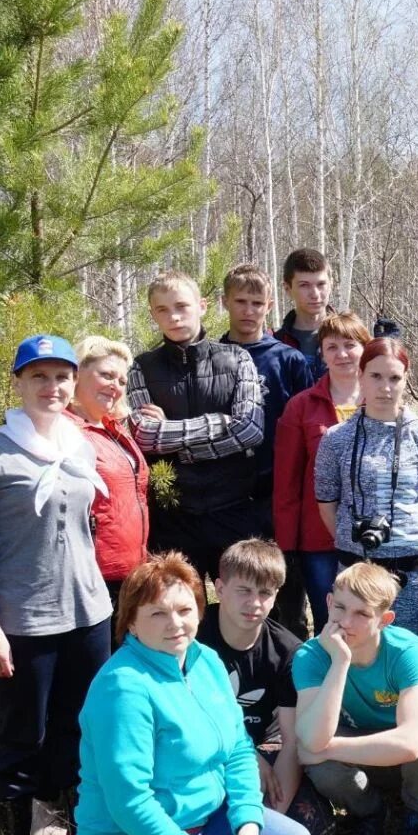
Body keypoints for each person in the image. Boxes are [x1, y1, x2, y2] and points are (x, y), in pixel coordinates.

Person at [75, 553, 313, 835]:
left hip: (204, 820)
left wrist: (247, 824)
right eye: (158, 614)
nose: (176, 624)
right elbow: (130, 803)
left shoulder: (204, 661)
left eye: (185, 610)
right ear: (130, 622)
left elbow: (238, 748)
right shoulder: (122, 688)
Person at [0, 335, 114, 835]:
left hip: (88, 614)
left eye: (61, 377)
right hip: (23, 621)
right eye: (38, 376)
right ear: (19, 384)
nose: (52, 387)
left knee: (80, 730)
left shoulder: (79, 446)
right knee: (24, 736)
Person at [293, 563, 418, 835]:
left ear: (384, 620)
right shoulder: (311, 656)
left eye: (362, 614)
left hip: (408, 759)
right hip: (364, 757)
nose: (345, 622)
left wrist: (325, 747)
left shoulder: (407, 651)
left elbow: (411, 743)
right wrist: (340, 662)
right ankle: (369, 813)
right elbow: (311, 734)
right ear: (328, 603)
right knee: (322, 764)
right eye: (340, 607)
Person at [314, 338, 418, 645]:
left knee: (414, 662)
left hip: (415, 576)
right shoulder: (335, 441)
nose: (385, 387)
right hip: (354, 574)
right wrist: (352, 542)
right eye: (376, 376)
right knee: (353, 657)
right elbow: (327, 505)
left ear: (406, 380)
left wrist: (411, 541)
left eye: (394, 378)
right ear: (361, 375)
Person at [127, 271, 266, 582]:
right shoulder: (142, 366)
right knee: (176, 610)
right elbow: (145, 436)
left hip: (232, 508)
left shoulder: (236, 359)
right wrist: (218, 422)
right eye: (162, 310)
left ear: (202, 305)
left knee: (242, 604)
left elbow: (250, 430)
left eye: (182, 306)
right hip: (173, 515)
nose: (174, 317)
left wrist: (175, 438)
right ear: (152, 314)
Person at [197, 539, 332, 835]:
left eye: (265, 593)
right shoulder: (192, 638)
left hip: (266, 745)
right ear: (219, 589)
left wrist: (267, 823)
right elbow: (187, 718)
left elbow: (292, 741)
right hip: (205, 745)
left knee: (310, 822)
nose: (254, 603)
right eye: (243, 590)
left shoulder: (288, 652)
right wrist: (244, 757)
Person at [219, 264, 315, 634]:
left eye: (257, 302)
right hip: (227, 494)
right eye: (240, 301)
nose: (248, 310)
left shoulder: (287, 360)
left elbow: (305, 427)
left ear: (270, 304)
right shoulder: (212, 355)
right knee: (235, 588)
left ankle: (289, 671)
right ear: (225, 302)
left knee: (285, 590)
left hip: (278, 491)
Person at [275, 311, 370, 634]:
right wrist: (287, 545)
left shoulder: (384, 400)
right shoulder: (302, 406)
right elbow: (287, 482)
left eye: (350, 345)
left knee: (373, 624)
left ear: (365, 348)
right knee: (330, 624)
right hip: (319, 542)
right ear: (322, 353)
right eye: (332, 347)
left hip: (376, 538)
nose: (342, 354)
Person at [70, 335, 149, 608]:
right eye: (107, 375)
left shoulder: (114, 429)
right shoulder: (65, 431)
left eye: (122, 381)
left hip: (130, 574)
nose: (116, 386)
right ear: (77, 373)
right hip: (92, 577)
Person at [275, 247, 336, 378]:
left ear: (331, 284)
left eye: (321, 284)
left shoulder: (351, 339)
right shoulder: (276, 345)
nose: (315, 294)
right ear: (287, 289)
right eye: (304, 285)